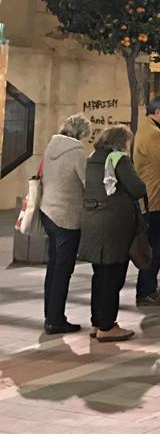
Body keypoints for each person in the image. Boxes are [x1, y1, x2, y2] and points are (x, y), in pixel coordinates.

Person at [78, 125, 145, 343]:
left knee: (100, 275)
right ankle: (107, 326)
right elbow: (137, 189)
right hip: (114, 225)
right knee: (113, 275)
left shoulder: (93, 157)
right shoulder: (118, 159)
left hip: (93, 220)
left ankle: (98, 322)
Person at [39, 114, 91, 334]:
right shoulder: (77, 152)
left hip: (47, 211)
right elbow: (88, 182)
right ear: (81, 133)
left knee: (53, 267)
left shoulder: (52, 146)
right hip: (66, 217)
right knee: (63, 269)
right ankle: (56, 319)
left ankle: (50, 314)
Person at [132, 94, 160, 306]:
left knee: (154, 245)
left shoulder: (148, 130)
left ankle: (148, 286)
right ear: (156, 112)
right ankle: (147, 289)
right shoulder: (153, 135)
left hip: (154, 197)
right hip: (155, 198)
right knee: (155, 246)